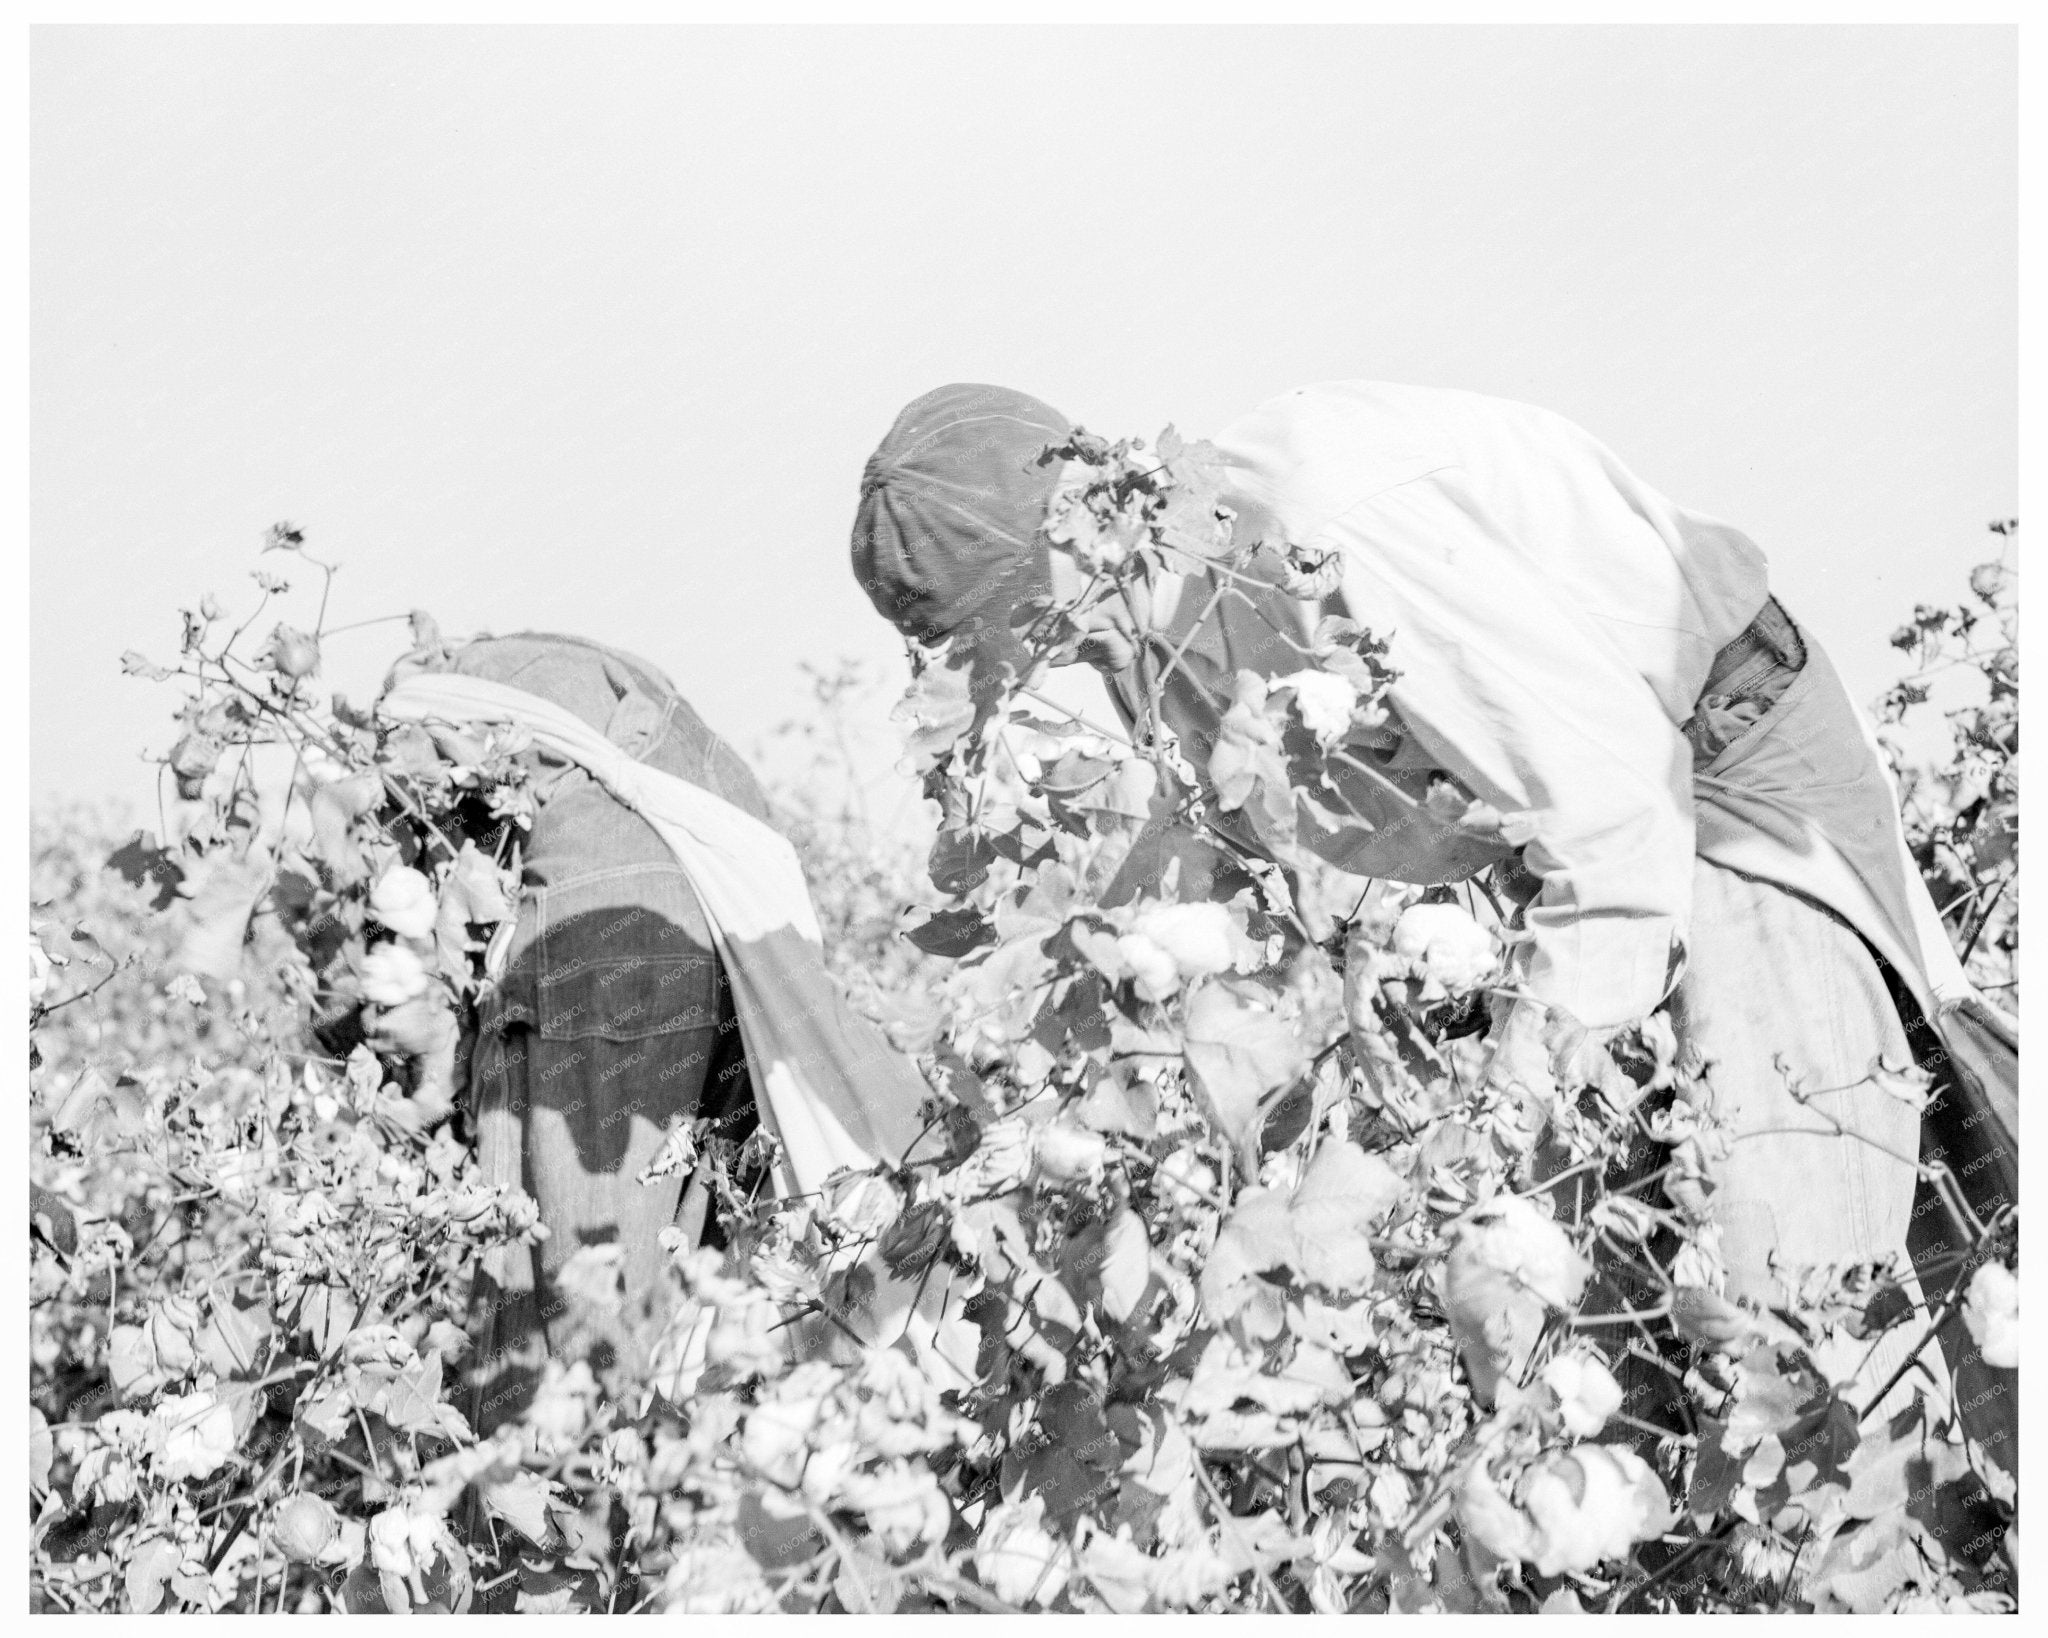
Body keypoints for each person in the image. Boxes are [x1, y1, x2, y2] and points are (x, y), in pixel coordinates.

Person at [849, 380, 2016, 1464]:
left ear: (1095, 521)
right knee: (1615, 1362)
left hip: (1715, 793)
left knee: (1774, 1329)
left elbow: (1608, 816)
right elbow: (1220, 847)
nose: (1056, 661)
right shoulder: (1149, 616)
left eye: (1042, 627)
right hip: (1578, 869)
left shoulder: (1328, 531)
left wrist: (1505, 1118)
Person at [376, 632, 940, 1434]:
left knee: (583, 1313)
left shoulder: (400, 735)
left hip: (595, 942)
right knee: (698, 1259)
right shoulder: (592, 685)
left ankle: (586, 1511)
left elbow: (404, 947)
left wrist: (436, 1055)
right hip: (687, 919)